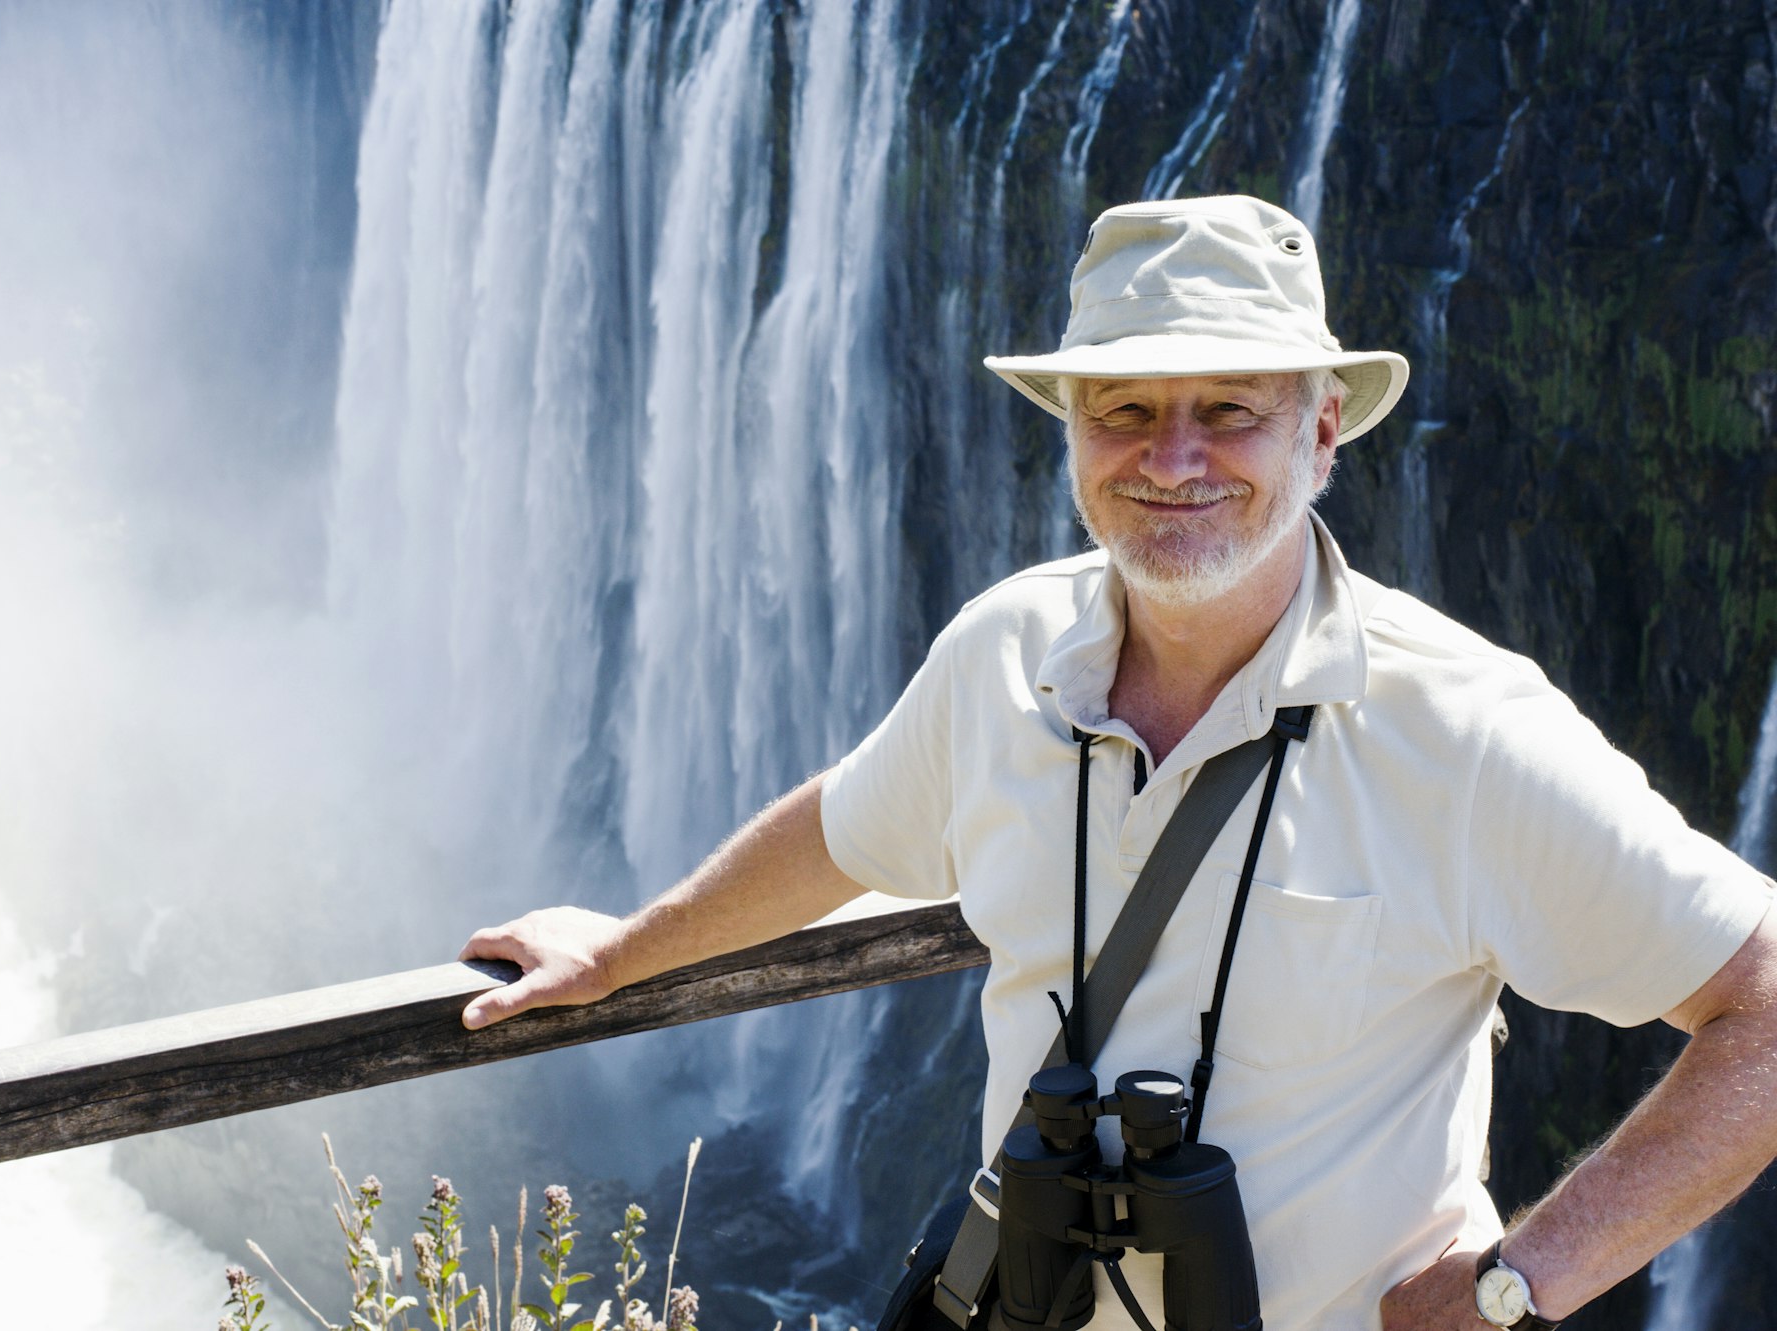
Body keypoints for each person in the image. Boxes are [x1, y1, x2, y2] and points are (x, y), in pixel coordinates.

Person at [457, 195, 1777, 1331]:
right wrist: (629, 951)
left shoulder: (1465, 732)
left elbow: (1763, 1002)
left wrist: (1522, 1284)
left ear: (1323, 434)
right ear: (1074, 434)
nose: (1173, 457)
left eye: (1230, 410)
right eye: (1126, 409)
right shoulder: (1000, 657)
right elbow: (845, 831)